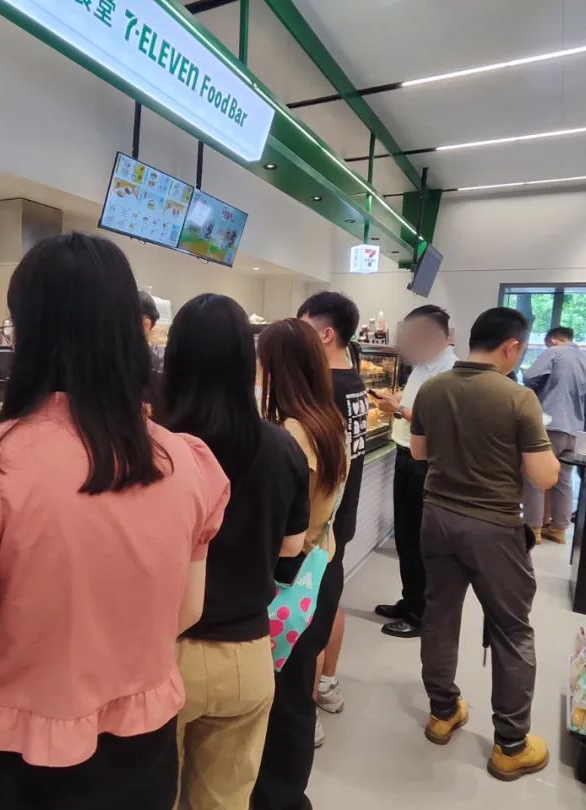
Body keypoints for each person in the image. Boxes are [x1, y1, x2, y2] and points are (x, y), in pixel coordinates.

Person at [0, 234, 230, 810]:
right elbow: (188, 610)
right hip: (144, 761)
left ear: (27, 332)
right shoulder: (185, 461)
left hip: (16, 770)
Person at [161, 294, 310, 810]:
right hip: (247, 655)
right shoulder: (281, 446)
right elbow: (292, 549)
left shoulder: (155, 445)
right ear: (249, 363)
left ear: (173, 360)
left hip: (162, 654)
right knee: (226, 801)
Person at [408, 306, 560, 782]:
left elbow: (418, 452)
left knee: (439, 616)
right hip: (493, 527)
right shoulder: (518, 398)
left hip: (437, 517)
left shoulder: (433, 388)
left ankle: (442, 711)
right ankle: (511, 745)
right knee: (512, 630)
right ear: (511, 346)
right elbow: (544, 476)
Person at [252, 319, 349, 810]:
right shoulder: (327, 419)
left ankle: (279, 798)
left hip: (290, 578)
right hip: (321, 570)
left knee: (284, 700)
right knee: (296, 696)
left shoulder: (291, 433)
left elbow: (282, 530)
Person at [297, 292, 368, 730]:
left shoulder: (322, 387)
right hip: (342, 518)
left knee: (308, 618)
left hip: (318, 523)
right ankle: (327, 684)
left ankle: (305, 716)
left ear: (325, 334)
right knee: (329, 602)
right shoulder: (354, 380)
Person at [371, 305, 457, 638]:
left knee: (420, 541)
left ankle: (421, 615)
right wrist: (397, 400)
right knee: (406, 536)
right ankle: (410, 601)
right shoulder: (423, 367)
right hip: (405, 455)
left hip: (424, 463)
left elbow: (437, 422)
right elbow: (415, 404)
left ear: (438, 335)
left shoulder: (448, 372)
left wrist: (398, 409)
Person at [521, 326, 586, 544]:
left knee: (534, 477)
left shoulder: (554, 352)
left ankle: (533, 528)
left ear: (554, 340)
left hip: (549, 424)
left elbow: (529, 377)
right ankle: (559, 529)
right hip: (575, 430)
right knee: (563, 479)